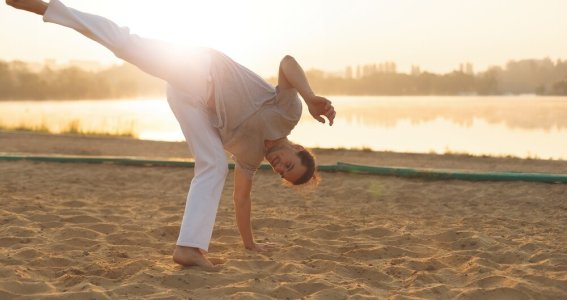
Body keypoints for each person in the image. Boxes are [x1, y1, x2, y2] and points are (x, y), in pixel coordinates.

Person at [6, 0, 336, 268]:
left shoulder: (250, 158)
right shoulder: (287, 113)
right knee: (128, 46)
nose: (280, 167)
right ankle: (46, 8)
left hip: (186, 100)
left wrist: (250, 245)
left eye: (283, 174)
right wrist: (310, 97)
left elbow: (241, 200)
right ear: (297, 149)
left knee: (214, 166)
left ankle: (188, 249)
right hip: (198, 68)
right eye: (290, 165)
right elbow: (288, 62)